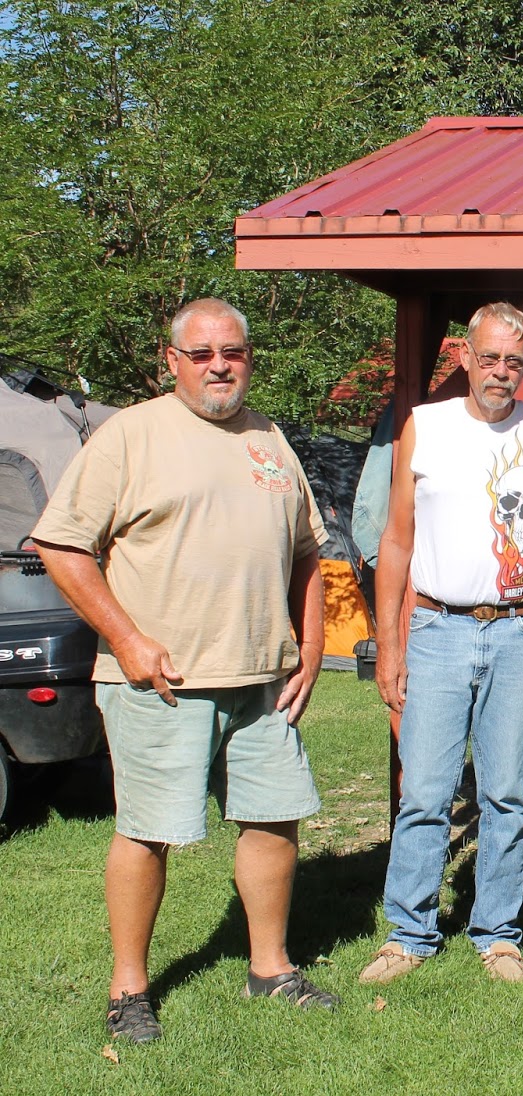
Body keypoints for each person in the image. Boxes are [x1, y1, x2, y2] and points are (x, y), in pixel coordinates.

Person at [32, 299, 335, 1043]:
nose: (219, 365)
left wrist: (314, 647)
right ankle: (128, 990)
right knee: (147, 830)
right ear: (173, 362)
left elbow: (307, 556)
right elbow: (62, 546)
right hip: (159, 683)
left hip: (263, 679)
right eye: (201, 354)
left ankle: (269, 968)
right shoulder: (129, 436)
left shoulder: (269, 438)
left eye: (232, 351)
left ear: (249, 357)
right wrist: (128, 640)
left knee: (272, 819)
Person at [359, 302, 523, 985]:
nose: (501, 372)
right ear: (463, 356)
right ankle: (408, 932)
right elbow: (396, 541)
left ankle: (497, 933)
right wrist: (390, 646)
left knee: (506, 792)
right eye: (489, 358)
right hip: (436, 627)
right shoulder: (424, 427)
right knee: (425, 790)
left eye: (514, 362)